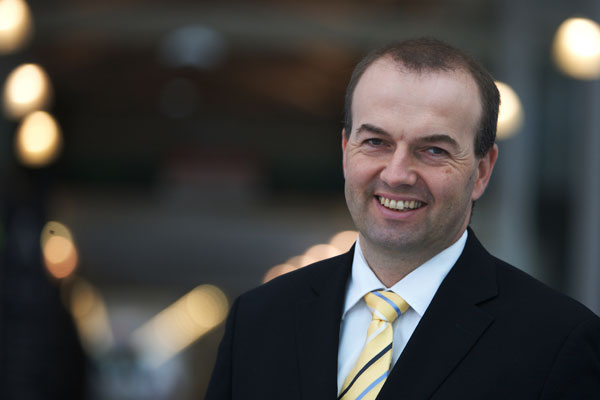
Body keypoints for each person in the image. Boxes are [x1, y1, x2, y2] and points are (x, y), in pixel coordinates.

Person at [205, 38, 600, 399]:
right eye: (376, 142)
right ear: (345, 151)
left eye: (434, 150)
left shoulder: (556, 343)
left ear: (481, 171)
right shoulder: (258, 319)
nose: (396, 175)